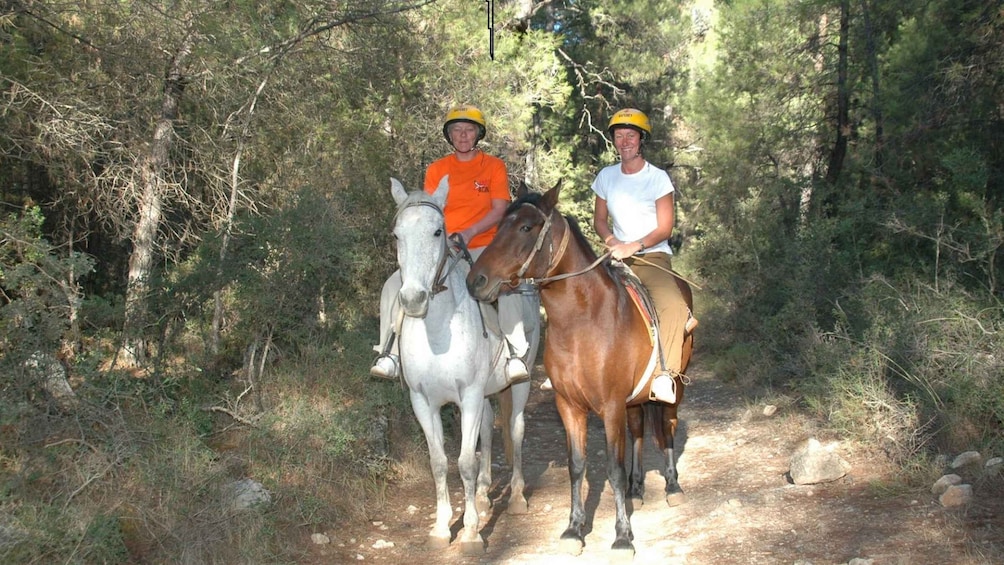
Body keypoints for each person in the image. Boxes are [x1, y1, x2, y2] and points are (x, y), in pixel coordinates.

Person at [371, 105, 536, 384]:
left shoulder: (494, 167)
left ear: (478, 134)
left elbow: (499, 210)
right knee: (393, 284)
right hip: (444, 246)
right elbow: (430, 212)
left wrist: (469, 233)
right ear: (449, 135)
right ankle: (390, 352)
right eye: (457, 130)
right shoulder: (438, 169)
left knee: (505, 286)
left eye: (469, 129)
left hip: (485, 244)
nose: (463, 135)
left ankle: (514, 353)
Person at [591, 108, 694, 403]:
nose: (624, 141)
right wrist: (611, 241)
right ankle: (570, 368)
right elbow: (599, 220)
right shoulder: (606, 176)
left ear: (641, 140)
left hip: (651, 256)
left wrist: (633, 246)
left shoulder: (657, 178)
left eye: (630, 136)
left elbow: (664, 228)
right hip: (614, 255)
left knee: (673, 305)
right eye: (619, 136)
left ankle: (665, 374)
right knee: (578, 292)